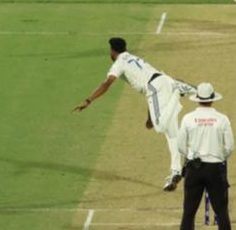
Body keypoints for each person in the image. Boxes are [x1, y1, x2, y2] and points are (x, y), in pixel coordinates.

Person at [72, 37, 195, 191]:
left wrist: (88, 100)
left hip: (157, 87)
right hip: (163, 83)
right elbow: (150, 94)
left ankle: (178, 90)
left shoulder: (119, 63)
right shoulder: (134, 58)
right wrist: (149, 117)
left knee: (160, 127)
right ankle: (176, 171)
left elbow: (107, 84)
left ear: (112, 51)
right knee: (172, 134)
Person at [176, 82, 234, 230]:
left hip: (194, 168)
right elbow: (230, 147)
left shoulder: (187, 118)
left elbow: (180, 147)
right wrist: (219, 156)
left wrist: (192, 156)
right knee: (222, 211)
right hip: (215, 168)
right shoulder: (222, 119)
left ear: (198, 99)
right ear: (212, 99)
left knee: (189, 211)